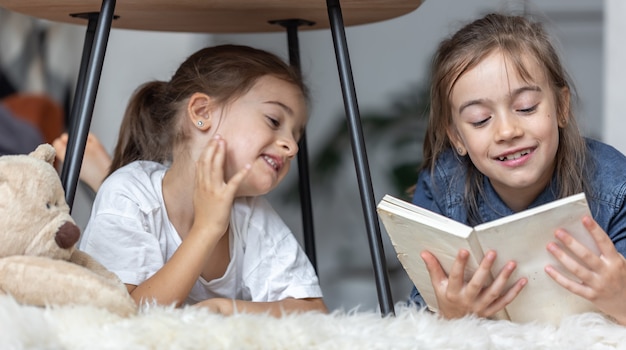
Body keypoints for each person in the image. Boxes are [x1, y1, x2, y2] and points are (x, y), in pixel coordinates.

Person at [408, 12, 626, 325]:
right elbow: (414, 317)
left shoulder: (615, 187)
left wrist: (621, 299)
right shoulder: (442, 186)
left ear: (561, 107)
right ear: (457, 136)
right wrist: (452, 315)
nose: (507, 131)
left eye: (525, 108)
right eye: (480, 120)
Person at [79, 44, 327, 316]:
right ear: (201, 112)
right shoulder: (129, 194)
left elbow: (314, 311)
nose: (292, 147)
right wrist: (207, 228)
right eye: (273, 120)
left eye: (297, 136)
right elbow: (124, 315)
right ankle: (101, 175)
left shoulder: (253, 215)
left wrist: (226, 309)